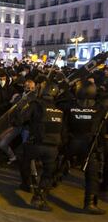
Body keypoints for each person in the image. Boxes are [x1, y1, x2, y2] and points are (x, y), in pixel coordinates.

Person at [17, 82, 64, 211]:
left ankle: (26, 184)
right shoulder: (59, 110)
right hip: (53, 148)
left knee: (21, 157)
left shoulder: (35, 105)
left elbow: (20, 119)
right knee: (47, 174)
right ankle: (39, 198)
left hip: (35, 144)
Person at [65, 81, 106, 214]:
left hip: (71, 142)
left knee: (56, 168)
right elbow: (103, 129)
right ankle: (90, 204)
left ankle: (41, 194)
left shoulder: (70, 106)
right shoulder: (100, 109)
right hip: (90, 145)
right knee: (92, 176)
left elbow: (63, 126)